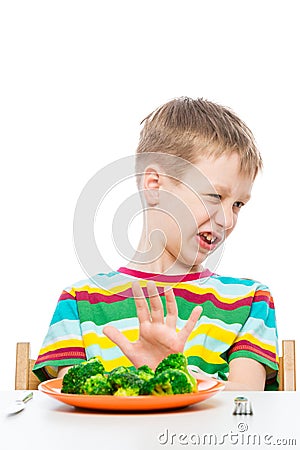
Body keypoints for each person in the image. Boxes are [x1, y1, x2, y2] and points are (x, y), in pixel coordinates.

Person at [33, 97, 279, 390]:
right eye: (214, 196)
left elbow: (248, 402)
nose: (227, 219)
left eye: (238, 204)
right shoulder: (79, 302)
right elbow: (71, 404)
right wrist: (149, 377)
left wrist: (174, 377)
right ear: (155, 186)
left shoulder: (249, 300)